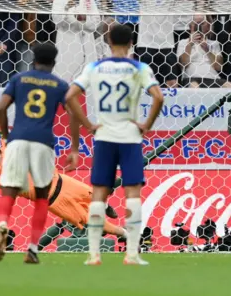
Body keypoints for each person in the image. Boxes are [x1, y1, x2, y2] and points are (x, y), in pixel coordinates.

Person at [0, 84, 125, 241]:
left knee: (96, 195)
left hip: (63, 181)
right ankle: (124, 234)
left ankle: (105, 205)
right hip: (54, 201)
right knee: (93, 221)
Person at [66, 23, 164, 266]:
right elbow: (158, 97)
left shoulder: (94, 67)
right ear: (132, 42)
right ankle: (131, 254)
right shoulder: (139, 67)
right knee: (132, 194)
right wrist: (146, 125)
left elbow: (69, 96)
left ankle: (93, 255)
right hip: (130, 137)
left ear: (108, 41)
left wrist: (88, 124)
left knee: (99, 193)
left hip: (104, 136)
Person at [0, 43, 93, 264]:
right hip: (43, 144)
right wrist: (75, 148)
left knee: (8, 189)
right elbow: (73, 115)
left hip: (17, 139)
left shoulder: (19, 79)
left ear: (33, 59)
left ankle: (2, 223)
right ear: (54, 62)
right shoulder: (59, 84)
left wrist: (4, 133)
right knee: (41, 197)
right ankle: (32, 248)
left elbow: (1, 107)